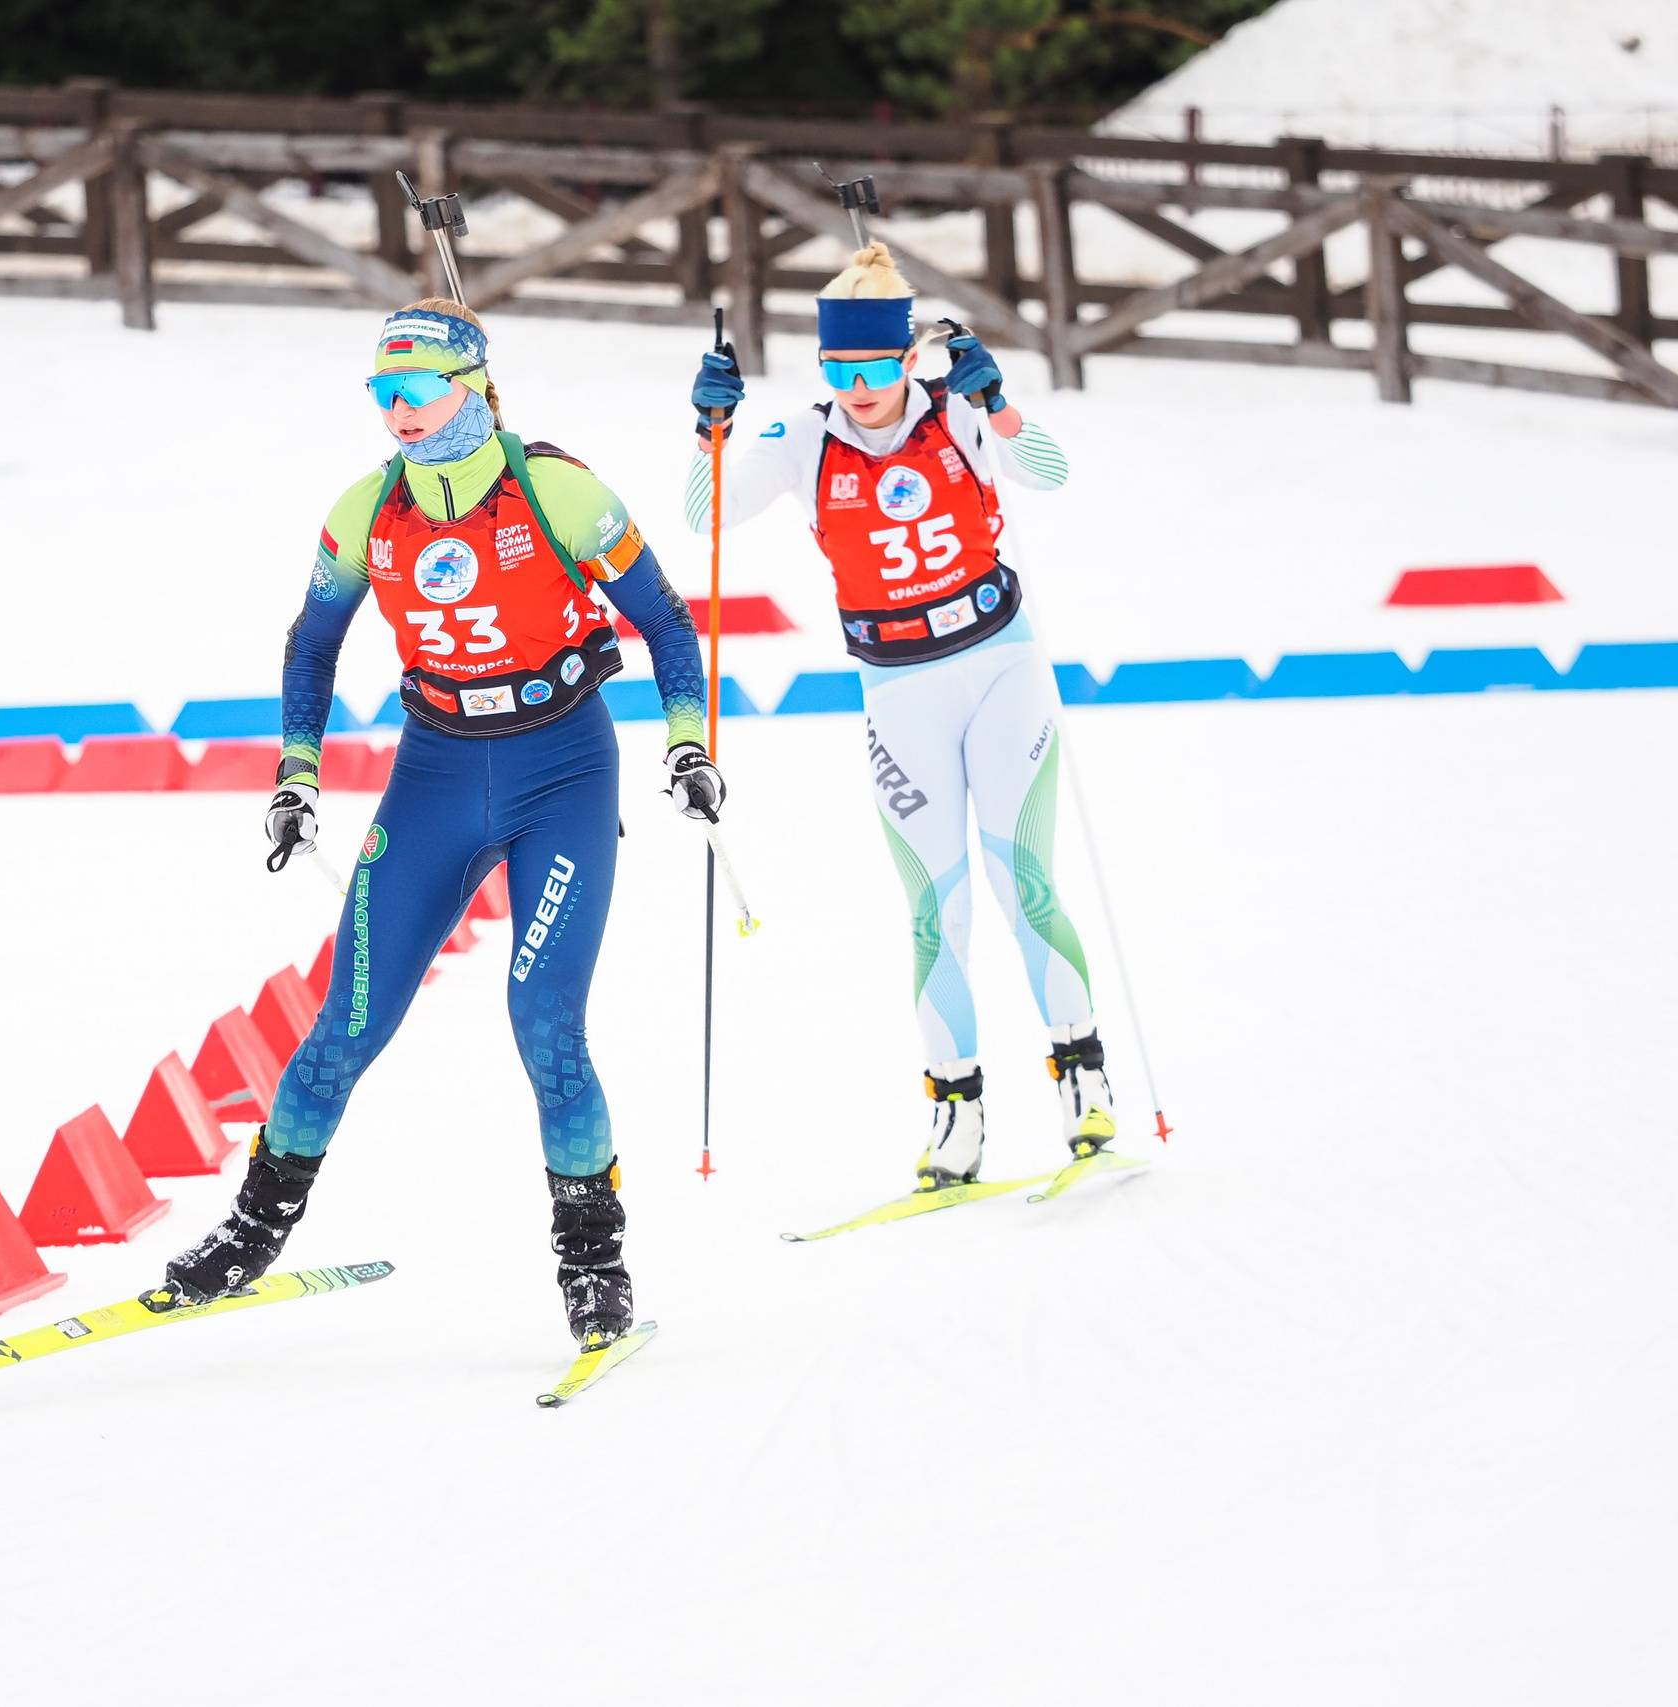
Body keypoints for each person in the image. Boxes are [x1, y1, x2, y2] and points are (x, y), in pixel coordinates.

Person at [157, 298, 723, 1347]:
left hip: (564, 772)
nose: (397, 409)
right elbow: (311, 643)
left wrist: (687, 745)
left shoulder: (558, 489)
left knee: (545, 1020)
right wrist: (296, 775)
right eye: (382, 391)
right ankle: (252, 1229)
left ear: (472, 388)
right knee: (348, 1018)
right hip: (435, 774)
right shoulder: (366, 511)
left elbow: (665, 619)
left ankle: (593, 1261)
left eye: (416, 388)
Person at [684, 244, 1114, 1193]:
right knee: (935, 910)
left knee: (1024, 881)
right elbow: (706, 518)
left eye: (876, 367)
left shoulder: (955, 409)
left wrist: (999, 404)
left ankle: (1083, 1075)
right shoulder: (803, 437)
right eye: (839, 369)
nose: (859, 388)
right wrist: (711, 431)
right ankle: (956, 1109)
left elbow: (1051, 472)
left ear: (909, 357)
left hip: (998, 665)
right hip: (898, 687)